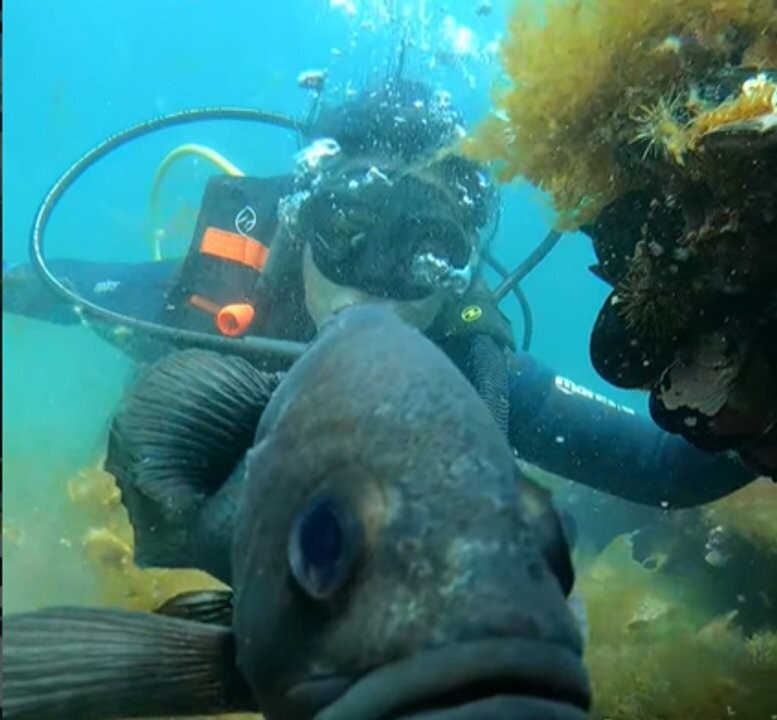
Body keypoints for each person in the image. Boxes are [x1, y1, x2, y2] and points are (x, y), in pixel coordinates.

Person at [3, 80, 760, 508]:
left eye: (425, 249)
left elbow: (664, 470)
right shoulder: (198, 315)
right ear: (299, 224)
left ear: (460, 264)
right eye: (351, 230)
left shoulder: (471, 371)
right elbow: (39, 282)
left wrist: (759, 398)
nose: (376, 286)